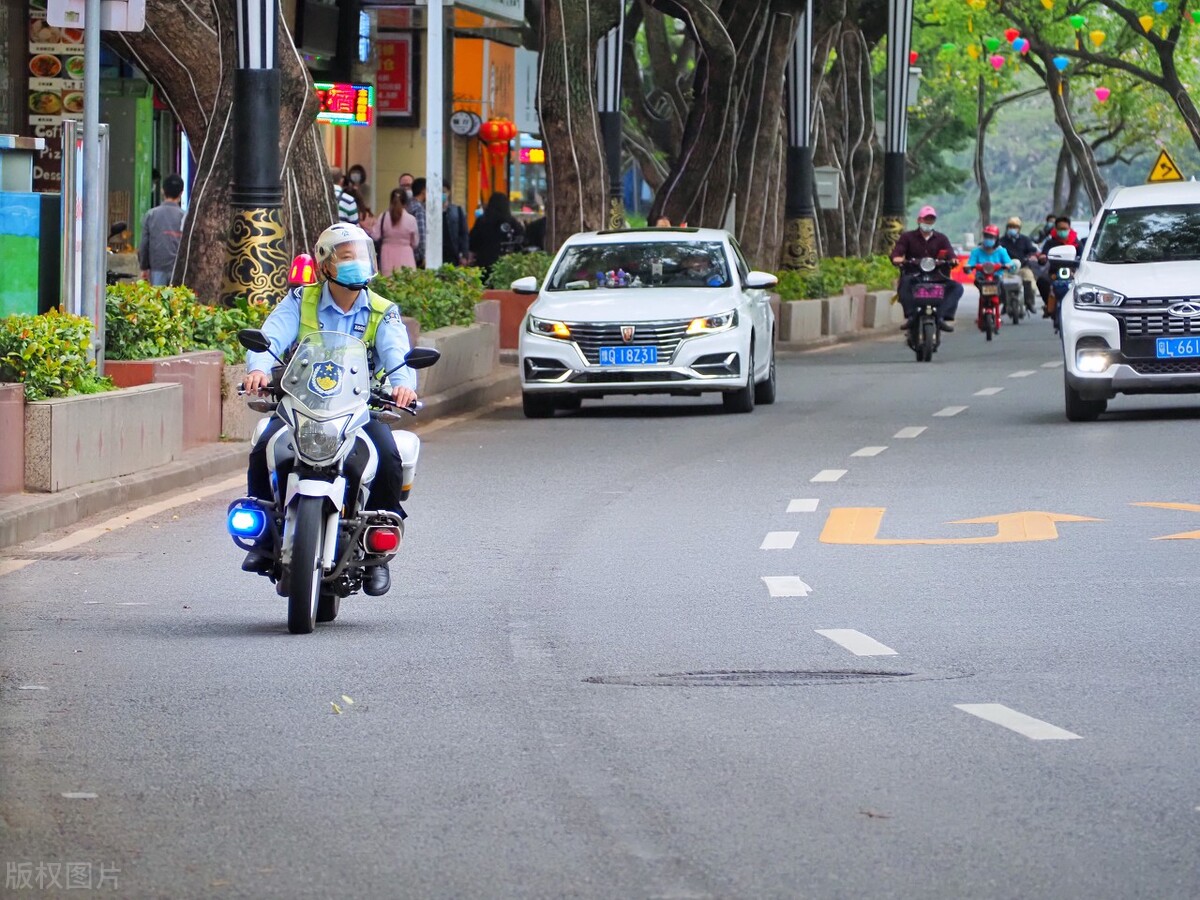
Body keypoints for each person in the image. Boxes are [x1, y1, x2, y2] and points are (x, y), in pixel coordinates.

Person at [240, 223, 417, 596]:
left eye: (361, 255)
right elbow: (271, 335)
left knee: (387, 453)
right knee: (265, 445)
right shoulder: (299, 300)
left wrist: (403, 386)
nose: (357, 263)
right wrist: (257, 368)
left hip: (358, 410)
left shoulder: (383, 311)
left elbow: (397, 355)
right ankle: (262, 537)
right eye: (346, 256)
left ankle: (376, 551)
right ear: (325, 265)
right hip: (301, 404)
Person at [889, 205, 963, 331]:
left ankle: (941, 316)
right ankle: (911, 316)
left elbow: (950, 254)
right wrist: (899, 259)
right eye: (926, 219)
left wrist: (952, 260)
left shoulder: (942, 238)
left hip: (937, 276)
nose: (928, 223)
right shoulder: (908, 237)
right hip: (914, 275)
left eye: (931, 220)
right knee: (904, 284)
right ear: (919, 220)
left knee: (956, 287)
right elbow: (897, 253)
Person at [139, 173, 185, 286]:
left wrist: (144, 267)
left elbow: (144, 244)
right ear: (181, 193)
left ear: (162, 191)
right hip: (179, 270)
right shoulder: (186, 217)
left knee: (157, 301)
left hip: (157, 269)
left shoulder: (151, 215)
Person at [469, 191, 525, 274]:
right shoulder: (512, 223)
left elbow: (472, 241)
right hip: (506, 264)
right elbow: (520, 240)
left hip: (484, 263)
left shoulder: (482, 221)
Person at [1036, 214, 1080, 318]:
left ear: (1069, 228)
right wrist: (1042, 258)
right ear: (1056, 229)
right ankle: (1048, 305)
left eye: (1065, 229)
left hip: (1073, 274)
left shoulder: (1076, 242)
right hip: (1055, 273)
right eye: (1060, 229)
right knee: (1041, 281)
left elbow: (1082, 256)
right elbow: (1043, 256)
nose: (1062, 231)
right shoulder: (1050, 243)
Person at [371, 187, 420, 273]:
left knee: (388, 281)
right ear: (406, 203)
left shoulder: (383, 217)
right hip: (406, 254)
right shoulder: (411, 219)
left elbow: (375, 236)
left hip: (387, 254)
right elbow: (415, 243)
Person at [998, 215, 1040, 312]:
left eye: (1015, 227)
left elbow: (1032, 251)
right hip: (1006, 269)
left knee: (1029, 280)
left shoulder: (1025, 240)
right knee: (1000, 281)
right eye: (1010, 227)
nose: (1012, 229)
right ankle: (1005, 303)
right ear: (1007, 228)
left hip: (1022, 267)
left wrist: (1033, 256)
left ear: (1019, 229)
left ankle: (1029, 302)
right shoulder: (1001, 241)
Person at [441, 180, 471, 266]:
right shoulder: (429, 212)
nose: (441, 194)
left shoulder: (456, 210)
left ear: (449, 192)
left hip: (453, 254)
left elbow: (464, 233)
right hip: (436, 253)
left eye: (443, 192)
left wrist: (464, 254)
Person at [407, 177, 428, 267]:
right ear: (423, 190)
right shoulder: (419, 209)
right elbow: (421, 234)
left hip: (408, 252)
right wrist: (423, 255)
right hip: (417, 257)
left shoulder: (408, 206)